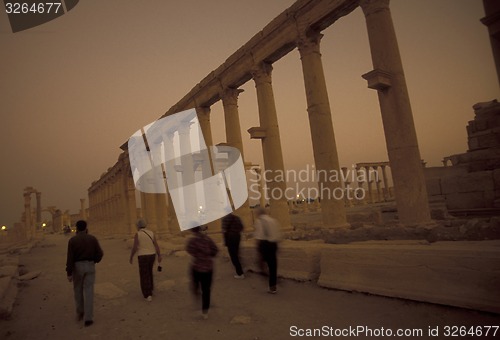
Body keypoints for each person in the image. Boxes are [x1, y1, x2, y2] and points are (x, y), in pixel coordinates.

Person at [66, 220, 104, 327]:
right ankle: (89, 318)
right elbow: (100, 253)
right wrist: (94, 261)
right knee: (89, 291)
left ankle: (80, 312)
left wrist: (69, 272)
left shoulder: (72, 240)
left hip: (77, 267)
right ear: (86, 228)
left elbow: (70, 258)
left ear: (77, 228)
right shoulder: (92, 239)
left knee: (77, 290)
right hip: (90, 265)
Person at [186, 225, 218, 319]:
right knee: (206, 289)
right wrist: (208, 256)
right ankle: (205, 312)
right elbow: (215, 250)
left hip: (197, 267)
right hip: (208, 267)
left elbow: (189, 250)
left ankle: (197, 293)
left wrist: (197, 255)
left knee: (195, 284)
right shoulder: (207, 239)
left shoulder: (192, 240)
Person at [129, 219, 162, 301]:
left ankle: (147, 294)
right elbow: (156, 245)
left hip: (142, 256)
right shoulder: (151, 233)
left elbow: (135, 247)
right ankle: (150, 289)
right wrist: (159, 255)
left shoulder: (138, 234)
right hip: (152, 255)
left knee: (144, 274)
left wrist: (131, 256)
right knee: (149, 272)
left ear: (138, 226)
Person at [254, 207, 281, 294]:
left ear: (259, 213)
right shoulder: (273, 220)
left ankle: (267, 276)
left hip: (264, 244)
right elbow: (278, 234)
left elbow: (258, 236)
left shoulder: (258, 221)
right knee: (273, 266)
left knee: (261, 263)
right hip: (274, 244)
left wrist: (258, 248)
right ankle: (273, 286)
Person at [221, 212, 244, 279]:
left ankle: (240, 273)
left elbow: (224, 231)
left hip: (230, 238)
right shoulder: (237, 218)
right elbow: (241, 227)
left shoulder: (225, 219)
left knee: (233, 256)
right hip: (237, 237)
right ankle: (240, 268)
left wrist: (225, 242)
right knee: (236, 253)